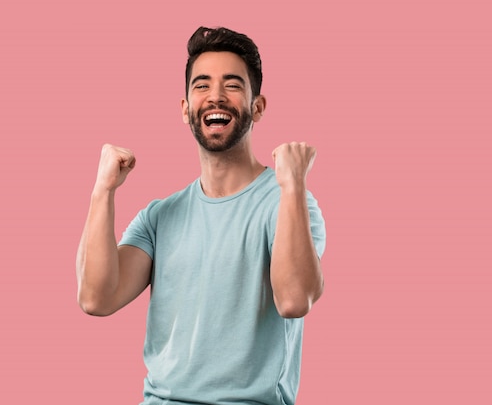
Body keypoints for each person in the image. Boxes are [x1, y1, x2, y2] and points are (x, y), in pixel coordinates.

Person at [76, 26, 327, 405]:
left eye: (232, 85)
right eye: (202, 85)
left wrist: (291, 185)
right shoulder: (160, 216)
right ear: (185, 108)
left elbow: (293, 300)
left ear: (257, 107)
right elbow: (97, 297)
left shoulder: (290, 204)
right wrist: (102, 191)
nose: (215, 97)